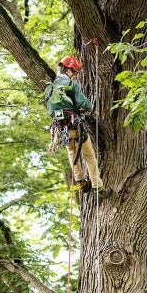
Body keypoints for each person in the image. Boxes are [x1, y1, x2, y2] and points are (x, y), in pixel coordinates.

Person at [45, 55, 112, 199]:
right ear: (69, 70)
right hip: (74, 125)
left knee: (72, 152)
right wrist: (90, 106)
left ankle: (81, 181)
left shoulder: (49, 88)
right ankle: (98, 188)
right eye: (74, 73)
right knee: (89, 156)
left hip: (61, 129)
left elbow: (51, 108)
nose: (74, 76)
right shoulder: (71, 85)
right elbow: (84, 104)